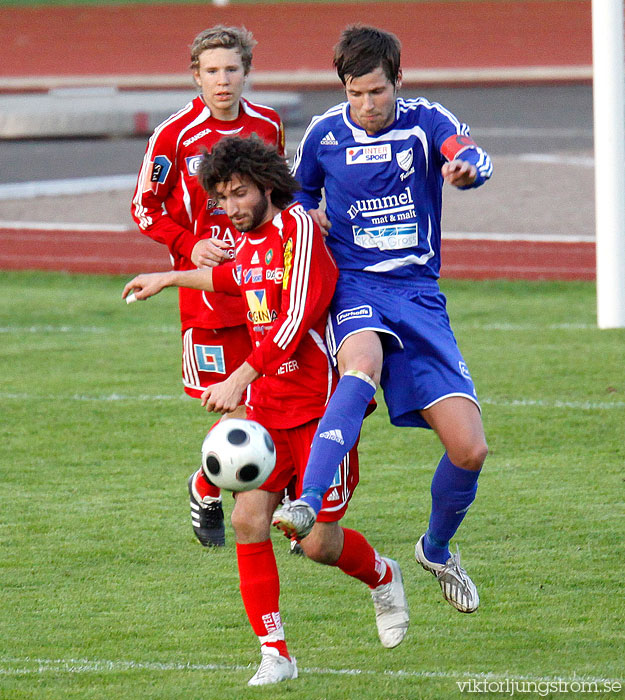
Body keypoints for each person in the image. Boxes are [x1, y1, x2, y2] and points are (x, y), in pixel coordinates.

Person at [123, 136, 410, 686]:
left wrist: (239, 377)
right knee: (248, 520)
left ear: (267, 186)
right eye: (223, 197)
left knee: (320, 544)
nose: (230, 207)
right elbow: (231, 279)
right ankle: (275, 653)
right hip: (267, 415)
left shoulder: (298, 230)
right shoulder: (248, 242)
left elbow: (298, 315)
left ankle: (381, 575)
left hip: (321, 415)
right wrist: (169, 277)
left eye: (240, 194)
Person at [273, 25, 492, 614]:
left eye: (376, 91)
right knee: (362, 361)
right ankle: (308, 501)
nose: (366, 105)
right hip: (355, 287)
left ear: (398, 80)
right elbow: (295, 193)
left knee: (470, 450)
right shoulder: (323, 132)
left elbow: (469, 154)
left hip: (419, 295)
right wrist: (305, 214)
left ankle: (436, 550)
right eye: (355, 94)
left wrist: (466, 170)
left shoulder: (425, 121)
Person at [131, 26, 285, 547]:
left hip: (265, 284)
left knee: (275, 395)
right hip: (205, 296)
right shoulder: (174, 135)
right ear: (195, 75)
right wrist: (187, 243)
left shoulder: (267, 124)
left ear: (247, 72)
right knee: (233, 406)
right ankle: (207, 484)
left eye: (232, 69)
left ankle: (271, 504)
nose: (223, 80)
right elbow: (143, 206)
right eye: (212, 71)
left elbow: (280, 195)